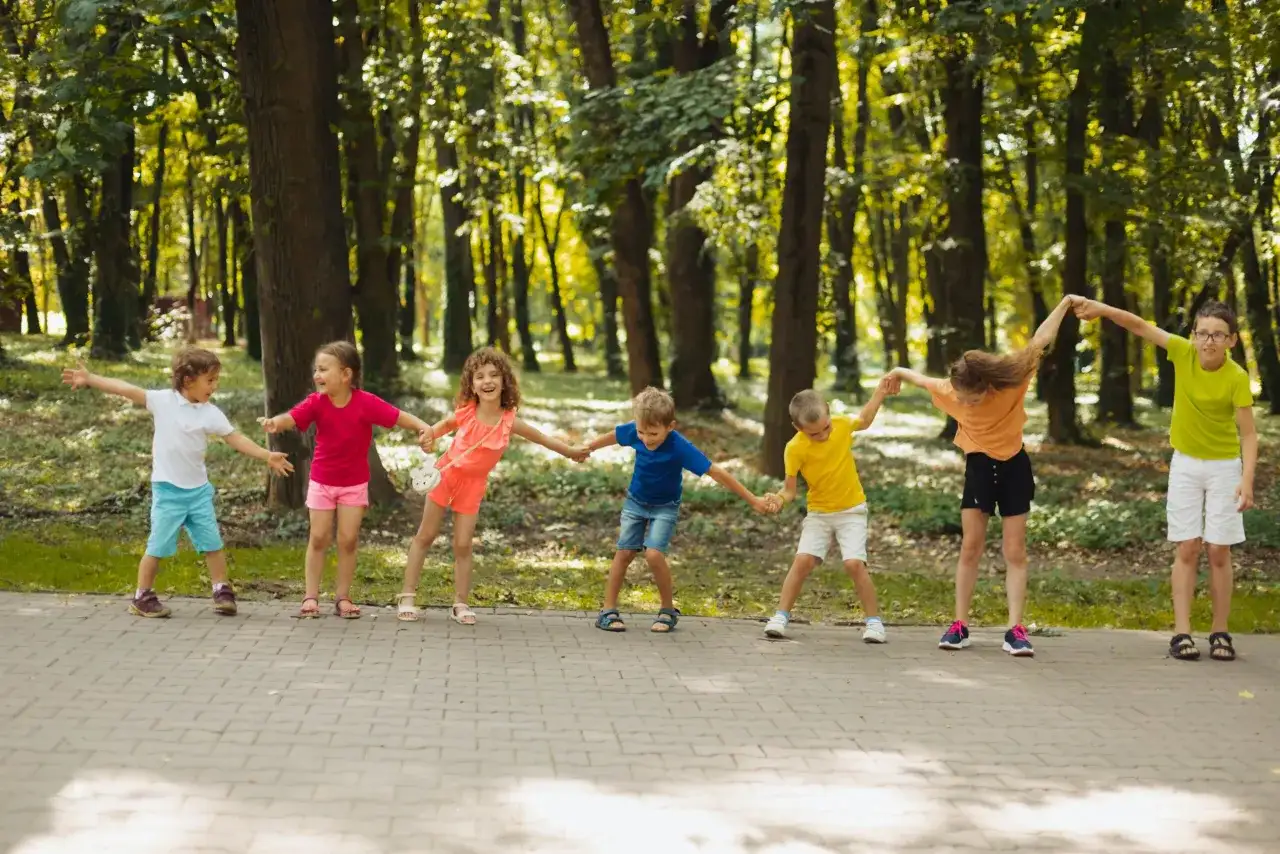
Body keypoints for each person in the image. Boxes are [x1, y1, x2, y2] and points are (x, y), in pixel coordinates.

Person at [891, 295, 1078, 657]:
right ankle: (959, 625)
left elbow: (1039, 340)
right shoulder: (950, 390)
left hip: (1013, 467)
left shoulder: (1011, 380)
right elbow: (917, 378)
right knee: (970, 547)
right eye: (961, 399)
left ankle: (1015, 630)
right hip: (978, 468)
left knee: (1014, 550)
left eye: (973, 400)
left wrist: (1065, 304)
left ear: (987, 386)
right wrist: (896, 373)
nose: (965, 405)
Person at [1074, 298, 1257, 661]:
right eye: (1203, 333)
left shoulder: (1236, 377)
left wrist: (1246, 480)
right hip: (1186, 464)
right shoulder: (1182, 352)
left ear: (1232, 340)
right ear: (1193, 335)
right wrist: (1101, 309)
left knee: (1218, 549)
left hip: (1224, 467)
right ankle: (1182, 633)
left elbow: (1249, 435)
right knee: (1188, 546)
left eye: (1218, 335)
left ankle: (1220, 632)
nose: (1209, 341)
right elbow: (1140, 325)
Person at [62, 349, 294, 618]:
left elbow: (235, 438)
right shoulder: (163, 401)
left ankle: (221, 589)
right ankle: (142, 596)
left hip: (198, 492)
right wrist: (90, 378)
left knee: (212, 543)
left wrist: (267, 456)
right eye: (210, 380)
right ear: (187, 380)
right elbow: (126, 389)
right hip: (168, 491)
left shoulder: (210, 413)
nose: (215, 386)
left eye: (216, 380)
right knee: (157, 546)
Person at [396, 347, 587, 624]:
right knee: (425, 535)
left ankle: (460, 603)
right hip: (445, 476)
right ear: (471, 384)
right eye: (480, 376)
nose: (487, 381)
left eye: (494, 375)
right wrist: (428, 436)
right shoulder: (467, 412)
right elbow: (442, 426)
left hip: (473, 487)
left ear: (504, 381)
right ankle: (407, 596)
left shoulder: (510, 421)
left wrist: (570, 452)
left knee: (463, 545)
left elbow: (543, 438)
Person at [581, 387, 779, 633]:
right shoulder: (637, 430)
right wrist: (587, 448)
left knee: (653, 554)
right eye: (641, 432)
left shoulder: (679, 446)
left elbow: (716, 472)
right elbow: (614, 436)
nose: (645, 439)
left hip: (665, 507)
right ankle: (608, 611)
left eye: (653, 433)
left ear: (670, 426)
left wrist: (753, 500)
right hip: (636, 503)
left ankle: (667, 610)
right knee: (624, 554)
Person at [260, 341, 431, 619]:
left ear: (346, 374)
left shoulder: (366, 403)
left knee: (348, 539)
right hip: (322, 482)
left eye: (324, 369)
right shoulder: (317, 402)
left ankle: (343, 597)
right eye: (316, 369)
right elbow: (292, 417)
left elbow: (398, 417)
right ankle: (310, 597)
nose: (317, 375)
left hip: (354, 485)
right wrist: (274, 423)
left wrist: (424, 427)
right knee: (318, 537)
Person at [763, 377, 899, 643]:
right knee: (802, 561)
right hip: (819, 514)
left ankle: (874, 623)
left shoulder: (841, 424)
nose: (823, 435)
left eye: (825, 428)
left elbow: (865, 419)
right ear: (797, 427)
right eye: (814, 434)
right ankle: (780, 616)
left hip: (852, 510)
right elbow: (790, 490)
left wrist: (880, 393)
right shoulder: (794, 448)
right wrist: (779, 500)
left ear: (828, 411)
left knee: (853, 564)